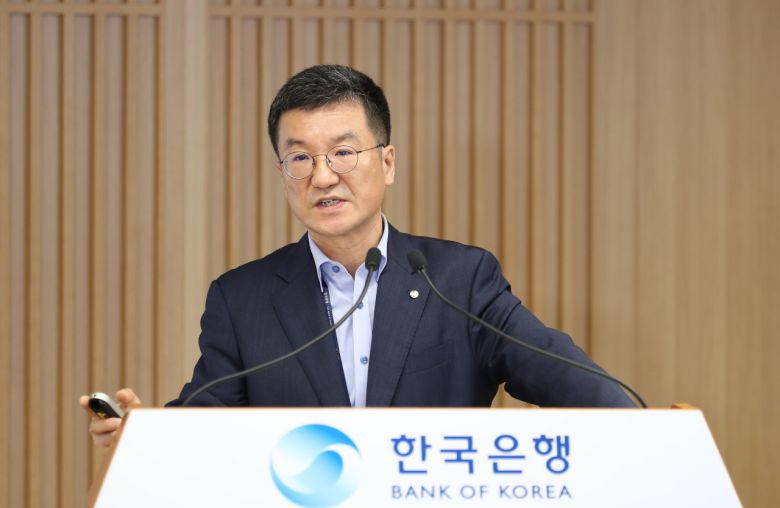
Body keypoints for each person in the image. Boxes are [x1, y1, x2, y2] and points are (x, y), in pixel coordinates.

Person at [81, 64, 634, 448]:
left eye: (343, 152)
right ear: (283, 174)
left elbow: (574, 382)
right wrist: (142, 435)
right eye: (300, 158)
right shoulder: (242, 298)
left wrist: (647, 431)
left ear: (387, 162)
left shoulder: (459, 280)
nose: (322, 176)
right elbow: (206, 422)